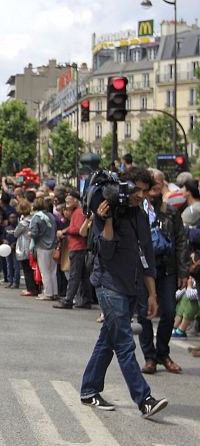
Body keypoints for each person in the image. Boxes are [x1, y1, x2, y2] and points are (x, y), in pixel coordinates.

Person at [79, 167, 168, 419]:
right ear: (122, 187)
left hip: (131, 286)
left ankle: (89, 389)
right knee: (124, 343)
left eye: (144, 190)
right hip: (109, 285)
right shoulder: (105, 212)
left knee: (107, 341)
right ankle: (144, 399)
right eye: (136, 189)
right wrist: (107, 220)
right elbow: (105, 254)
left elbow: (146, 255)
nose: (140, 195)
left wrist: (151, 294)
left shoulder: (139, 215)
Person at [137, 168, 187, 374]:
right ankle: (149, 357)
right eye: (152, 184)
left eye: (159, 183)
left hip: (167, 269)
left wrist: (183, 272)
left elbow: (181, 241)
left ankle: (163, 354)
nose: (156, 187)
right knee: (144, 314)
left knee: (168, 312)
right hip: (143, 269)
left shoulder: (171, 211)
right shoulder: (137, 210)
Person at [53, 191, 91, 309]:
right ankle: (85, 300)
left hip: (77, 247)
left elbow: (78, 229)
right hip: (78, 246)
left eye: (69, 199)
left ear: (76, 200)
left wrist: (64, 231)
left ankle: (69, 300)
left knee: (74, 275)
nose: (67, 202)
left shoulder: (78, 212)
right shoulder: (78, 212)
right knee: (83, 276)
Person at [29, 197, 58, 300]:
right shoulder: (51, 216)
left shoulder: (36, 217)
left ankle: (48, 293)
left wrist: (30, 234)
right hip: (53, 246)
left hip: (42, 246)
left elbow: (34, 233)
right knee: (53, 271)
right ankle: (54, 292)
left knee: (44, 271)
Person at [14, 200, 37, 296]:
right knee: (33, 268)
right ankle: (36, 288)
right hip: (33, 245)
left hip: (24, 247)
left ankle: (30, 289)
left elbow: (16, 233)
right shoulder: (34, 218)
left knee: (26, 269)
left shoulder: (23, 223)